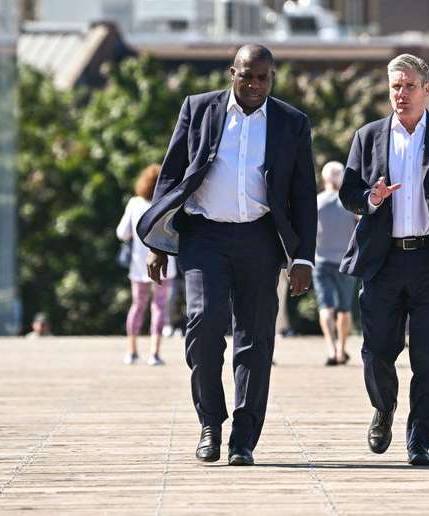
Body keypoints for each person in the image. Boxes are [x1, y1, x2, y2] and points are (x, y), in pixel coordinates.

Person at [136, 45, 317, 466]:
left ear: (272, 78)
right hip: (204, 237)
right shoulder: (199, 110)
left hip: (261, 239)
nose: (254, 85)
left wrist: (302, 258)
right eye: (247, 76)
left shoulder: (291, 122)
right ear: (232, 73)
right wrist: (158, 242)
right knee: (202, 328)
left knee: (256, 340)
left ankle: (244, 437)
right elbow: (171, 175)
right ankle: (210, 424)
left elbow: (303, 196)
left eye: (263, 78)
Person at [339, 54, 429, 466]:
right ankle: (383, 407)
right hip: (383, 260)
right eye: (396, 86)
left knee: (428, 354)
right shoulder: (368, 137)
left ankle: (419, 441)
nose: (401, 94)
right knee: (376, 350)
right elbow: (350, 191)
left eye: (409, 86)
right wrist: (371, 198)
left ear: (426, 90)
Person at [117, 164, 177, 366]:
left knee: (138, 306)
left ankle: (132, 350)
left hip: (139, 264)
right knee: (159, 307)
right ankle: (154, 352)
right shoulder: (167, 203)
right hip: (165, 264)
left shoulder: (134, 204)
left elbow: (121, 233)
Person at [314, 161, 358, 366]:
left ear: (324, 179)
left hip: (321, 261)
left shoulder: (317, 203)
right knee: (344, 308)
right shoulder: (350, 205)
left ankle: (330, 349)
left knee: (325, 306)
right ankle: (341, 350)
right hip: (345, 262)